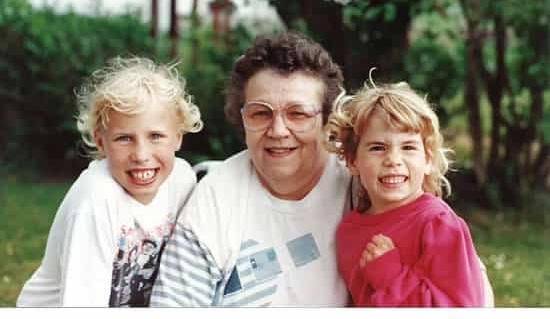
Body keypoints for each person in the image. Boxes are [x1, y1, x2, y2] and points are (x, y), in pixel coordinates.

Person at [150, 32, 494, 307]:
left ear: (328, 120)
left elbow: (469, 289)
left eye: (298, 113)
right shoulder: (215, 198)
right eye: (260, 113)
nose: (279, 130)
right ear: (242, 119)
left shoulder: (363, 181)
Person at [16, 56, 203, 307]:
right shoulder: (95, 201)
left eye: (156, 136)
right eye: (124, 138)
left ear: (178, 137)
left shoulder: (182, 180)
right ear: (101, 141)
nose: (141, 155)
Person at [324, 77, 484, 306]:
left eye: (408, 147)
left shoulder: (438, 224)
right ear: (352, 161)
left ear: (428, 159)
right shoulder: (347, 231)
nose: (393, 160)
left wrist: (390, 278)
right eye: (378, 148)